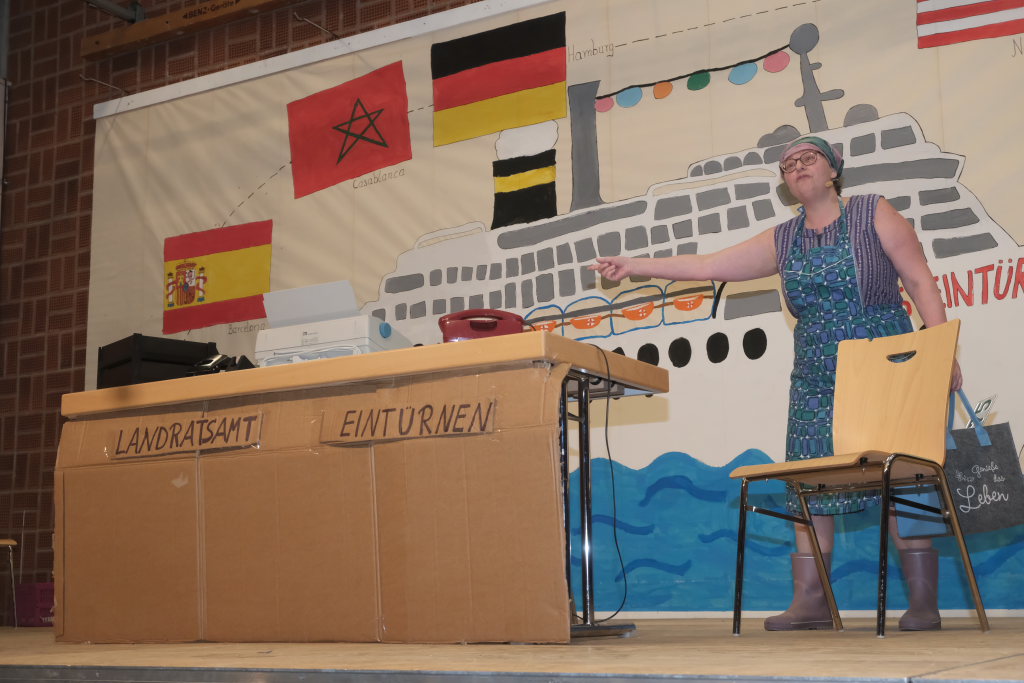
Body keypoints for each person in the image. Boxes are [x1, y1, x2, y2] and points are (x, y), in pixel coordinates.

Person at [590, 135, 962, 631]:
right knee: (811, 478)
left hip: (886, 364)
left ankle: (922, 602)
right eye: (788, 164)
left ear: (833, 171)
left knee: (901, 475)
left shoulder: (874, 212)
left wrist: (940, 351)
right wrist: (634, 266)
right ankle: (812, 601)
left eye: (809, 158)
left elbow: (919, 280)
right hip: (815, 374)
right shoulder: (783, 240)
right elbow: (707, 266)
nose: (798, 166)